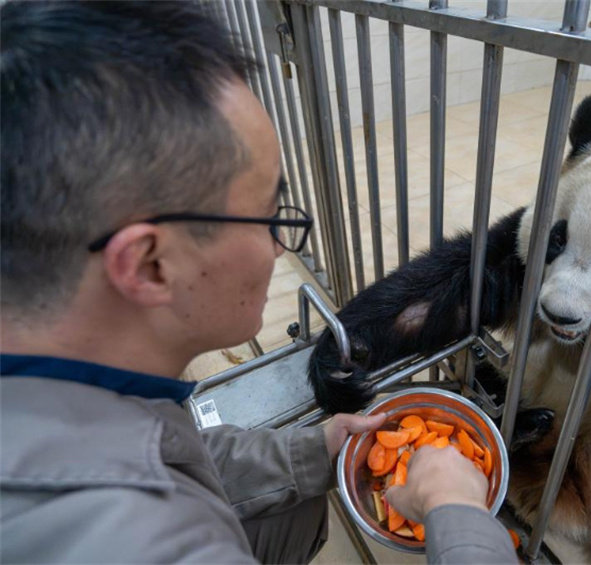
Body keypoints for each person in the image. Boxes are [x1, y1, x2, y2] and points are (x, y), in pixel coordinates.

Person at [0, 2, 517, 563]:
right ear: (151, 263)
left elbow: (180, 450)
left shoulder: (66, 377)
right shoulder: (142, 543)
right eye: (270, 217)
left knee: (297, 501)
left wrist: (315, 451)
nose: (279, 245)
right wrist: (455, 509)